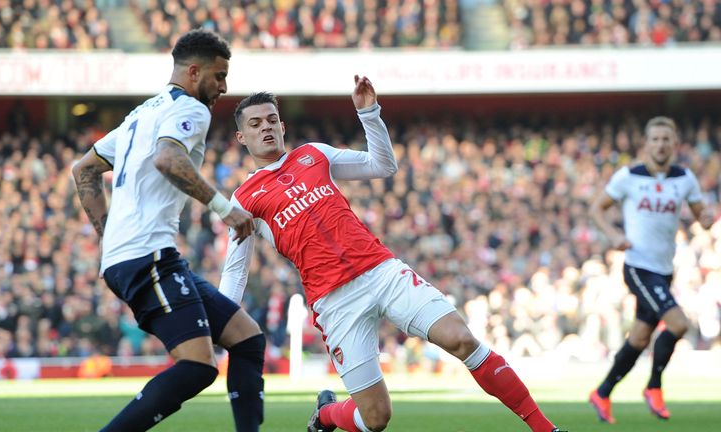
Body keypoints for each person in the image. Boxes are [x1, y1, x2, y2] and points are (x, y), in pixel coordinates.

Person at [218, 76, 564, 432]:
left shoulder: (314, 155)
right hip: (334, 302)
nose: (267, 128)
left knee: (462, 339)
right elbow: (235, 271)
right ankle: (326, 415)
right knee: (376, 418)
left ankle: (545, 429)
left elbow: (382, 166)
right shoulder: (244, 198)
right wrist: (223, 319)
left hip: (381, 270)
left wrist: (369, 113)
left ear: (282, 124)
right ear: (242, 137)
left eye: (272, 120)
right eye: (256, 124)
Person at [72, 29, 265, 432]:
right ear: (194, 72)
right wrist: (224, 208)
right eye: (219, 76)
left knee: (247, 339)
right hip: (149, 256)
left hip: (140, 254)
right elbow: (167, 158)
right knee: (197, 367)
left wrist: (111, 239)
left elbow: (84, 169)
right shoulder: (192, 110)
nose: (224, 87)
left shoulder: (139, 115)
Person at [588, 116, 715, 423]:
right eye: (655, 139)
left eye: (666, 139)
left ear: (674, 144)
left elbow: (702, 216)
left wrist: (707, 219)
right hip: (638, 266)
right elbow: (596, 208)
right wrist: (615, 235)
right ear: (646, 144)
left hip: (663, 269)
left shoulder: (684, 178)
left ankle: (602, 393)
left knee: (640, 338)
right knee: (678, 324)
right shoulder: (629, 176)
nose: (660, 144)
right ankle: (654, 387)